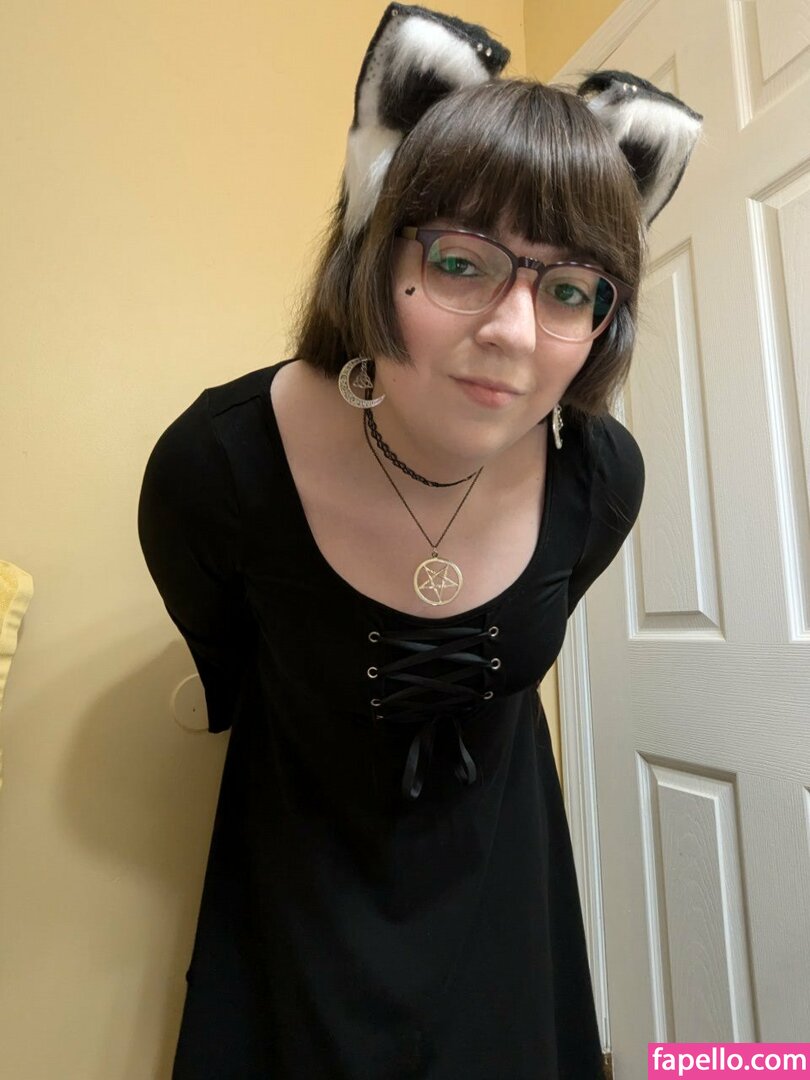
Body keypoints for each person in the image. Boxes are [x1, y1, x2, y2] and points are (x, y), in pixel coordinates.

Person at [137, 5, 702, 1078]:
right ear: (376, 245)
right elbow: (222, 643)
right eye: (461, 262)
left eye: (570, 289)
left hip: (505, 892)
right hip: (291, 888)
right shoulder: (218, 467)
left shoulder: (599, 479)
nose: (514, 332)